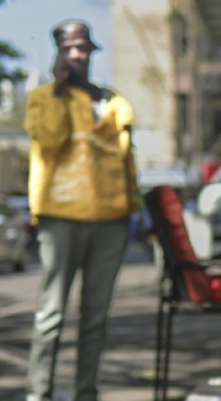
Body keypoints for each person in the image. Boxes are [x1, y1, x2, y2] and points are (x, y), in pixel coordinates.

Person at [24, 20, 138, 401]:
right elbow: (53, 141)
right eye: (70, 48)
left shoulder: (112, 102)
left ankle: (85, 393)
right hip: (61, 218)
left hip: (111, 221)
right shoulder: (43, 98)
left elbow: (127, 163)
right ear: (59, 51)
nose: (78, 54)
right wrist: (60, 90)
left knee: (96, 318)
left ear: (92, 52)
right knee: (50, 315)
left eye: (84, 48)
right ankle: (38, 394)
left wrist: (132, 209)